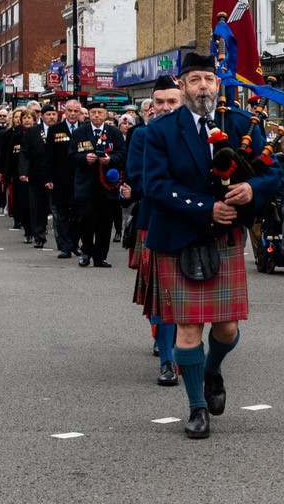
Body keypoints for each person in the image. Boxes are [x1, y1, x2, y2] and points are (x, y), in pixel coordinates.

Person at [142, 52, 280, 439]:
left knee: (227, 329)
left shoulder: (241, 125)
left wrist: (252, 187)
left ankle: (213, 370)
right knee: (188, 330)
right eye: (195, 79)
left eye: (209, 78)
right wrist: (207, 208)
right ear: (182, 86)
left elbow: (274, 173)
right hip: (180, 237)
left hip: (224, 239)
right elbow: (154, 186)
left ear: (218, 85)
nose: (203, 85)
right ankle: (196, 407)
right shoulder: (161, 131)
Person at [124, 74, 182, 386]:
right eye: (159, 102)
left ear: (182, 102)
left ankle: (184, 349)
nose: (165, 107)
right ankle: (168, 360)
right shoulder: (142, 137)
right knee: (163, 297)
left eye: (172, 101)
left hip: (193, 222)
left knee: (186, 296)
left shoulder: (200, 133)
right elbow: (140, 180)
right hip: (156, 220)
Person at [70, 103, 126, 268]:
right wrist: (84, 158)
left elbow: (122, 154)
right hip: (86, 186)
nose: (96, 116)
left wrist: (110, 160)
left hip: (107, 186)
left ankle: (100, 256)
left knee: (105, 222)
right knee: (87, 219)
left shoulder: (114, 133)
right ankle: (86, 252)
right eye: (93, 112)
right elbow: (71, 155)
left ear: (105, 114)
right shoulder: (80, 132)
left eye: (99, 113)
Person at [44, 100, 82, 258]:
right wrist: (48, 177)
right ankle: (65, 246)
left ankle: (74, 243)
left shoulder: (85, 129)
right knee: (62, 214)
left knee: (79, 215)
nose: (73, 114)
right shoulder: (55, 130)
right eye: (70, 111)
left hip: (81, 179)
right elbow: (48, 156)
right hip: (61, 179)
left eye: (76, 111)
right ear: (64, 112)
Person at [17, 107, 51, 247]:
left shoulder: (59, 130)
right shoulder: (33, 131)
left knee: (56, 207)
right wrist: (23, 172)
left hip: (55, 175)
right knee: (37, 207)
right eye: (48, 114)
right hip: (36, 174)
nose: (51, 117)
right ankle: (39, 235)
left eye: (54, 114)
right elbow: (24, 153)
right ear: (41, 116)